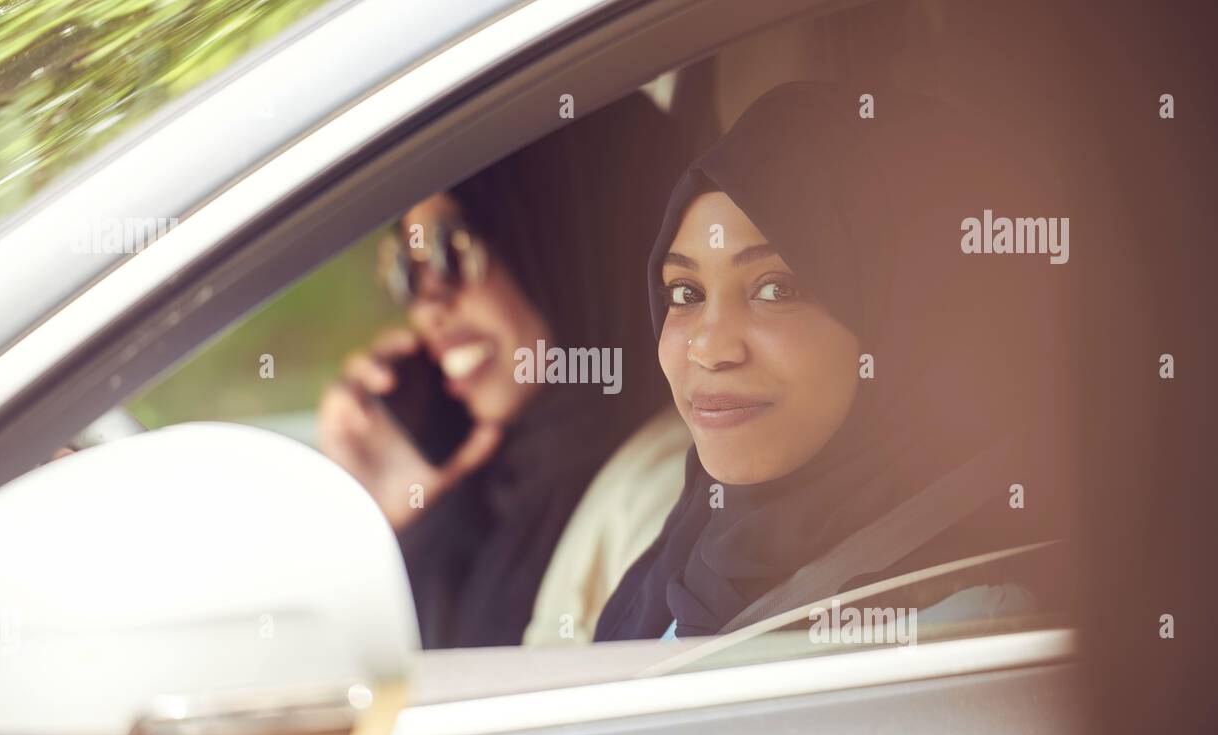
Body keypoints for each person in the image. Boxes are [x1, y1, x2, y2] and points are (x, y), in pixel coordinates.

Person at [595, 82, 1075, 642]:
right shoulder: (692, 551)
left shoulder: (970, 620)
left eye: (775, 289)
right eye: (685, 293)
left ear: (905, 321)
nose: (708, 346)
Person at [318, 93, 690, 648]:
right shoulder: (492, 490)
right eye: (405, 268)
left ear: (564, 240)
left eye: (450, 249)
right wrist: (387, 519)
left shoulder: (669, 495)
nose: (426, 305)